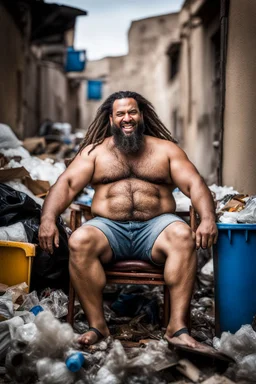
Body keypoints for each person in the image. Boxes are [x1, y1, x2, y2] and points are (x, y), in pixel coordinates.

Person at [39, 91, 217, 348]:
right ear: (111, 119)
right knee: (79, 239)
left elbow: (195, 184)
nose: (127, 118)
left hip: (156, 228)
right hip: (108, 230)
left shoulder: (166, 150)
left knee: (182, 235)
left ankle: (177, 329)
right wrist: (47, 219)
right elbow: (65, 185)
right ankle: (97, 326)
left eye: (132, 112)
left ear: (142, 115)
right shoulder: (95, 153)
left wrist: (208, 218)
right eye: (120, 113)